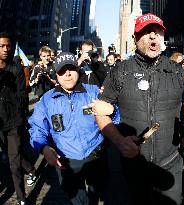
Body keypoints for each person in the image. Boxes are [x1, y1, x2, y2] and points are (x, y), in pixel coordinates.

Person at [91, 13, 184, 205]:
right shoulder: (120, 71)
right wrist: (120, 142)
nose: (153, 36)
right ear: (135, 39)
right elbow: (101, 111)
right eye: (146, 32)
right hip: (135, 164)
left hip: (170, 163)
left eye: (157, 31)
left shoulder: (178, 71)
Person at [28, 52, 119, 205]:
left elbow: (116, 119)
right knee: (77, 201)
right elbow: (37, 129)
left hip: (95, 156)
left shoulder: (94, 92)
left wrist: (113, 110)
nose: (68, 74)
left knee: (96, 196)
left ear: (78, 70)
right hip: (66, 161)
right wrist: (44, 148)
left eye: (71, 69)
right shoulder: (47, 100)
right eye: (62, 70)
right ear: (56, 74)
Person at [0, 32, 34, 205]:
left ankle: (22, 199)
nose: (6, 49)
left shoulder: (17, 68)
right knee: (11, 155)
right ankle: (31, 169)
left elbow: (22, 96)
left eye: (8, 46)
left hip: (13, 121)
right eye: (2, 46)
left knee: (13, 162)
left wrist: (21, 118)